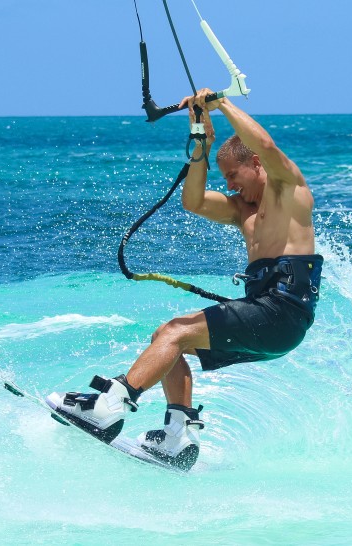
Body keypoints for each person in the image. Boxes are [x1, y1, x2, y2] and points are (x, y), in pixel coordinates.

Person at [46, 88, 323, 470]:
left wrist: (221, 103)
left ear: (256, 164)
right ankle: (178, 436)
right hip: (268, 316)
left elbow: (268, 144)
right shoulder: (244, 212)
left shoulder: (290, 191)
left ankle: (109, 404)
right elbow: (192, 201)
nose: (228, 186)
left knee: (177, 331)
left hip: (281, 313)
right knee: (166, 336)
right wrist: (199, 135)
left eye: (233, 176)